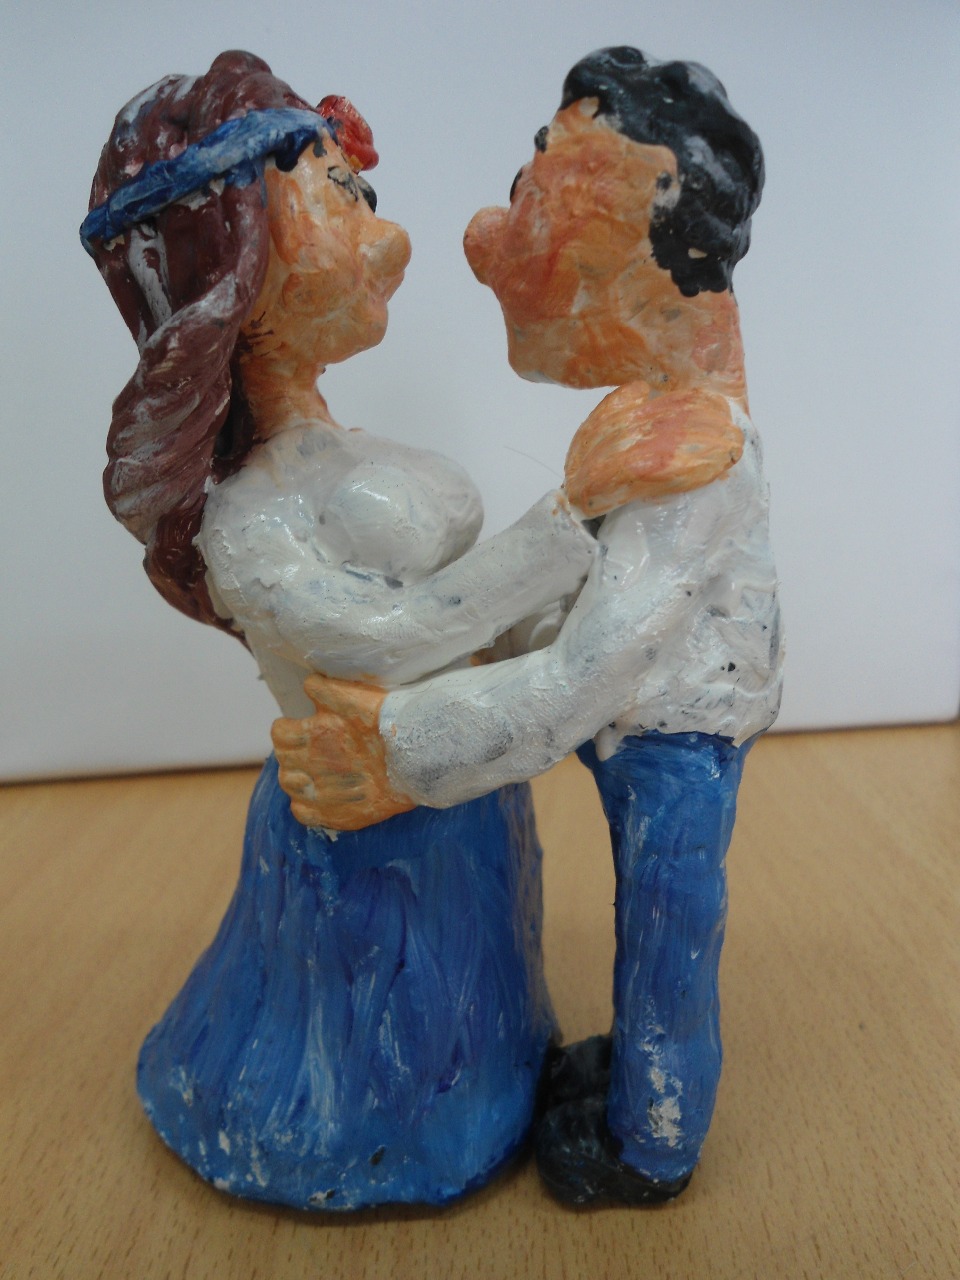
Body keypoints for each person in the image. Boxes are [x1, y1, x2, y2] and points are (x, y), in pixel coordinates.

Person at [83, 50, 596, 1210]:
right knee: (372, 1026)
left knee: (477, 980)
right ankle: (369, 1139)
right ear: (237, 253)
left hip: (455, 790)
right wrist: (567, 530)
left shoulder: (342, 458)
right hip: (361, 825)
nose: (392, 240)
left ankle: (491, 1082)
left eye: (369, 198)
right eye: (341, 197)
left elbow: (466, 631)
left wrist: (573, 609)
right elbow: (386, 639)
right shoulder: (248, 515)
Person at [272, 47, 784, 1206]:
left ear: (642, 257)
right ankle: (639, 1088)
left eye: (536, 196)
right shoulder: (645, 423)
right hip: (639, 715)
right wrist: (455, 643)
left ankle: (652, 1142)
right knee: (659, 923)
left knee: (669, 926)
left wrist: (395, 749)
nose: (489, 239)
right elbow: (570, 589)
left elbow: (589, 673)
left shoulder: (694, 450)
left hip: (677, 735)